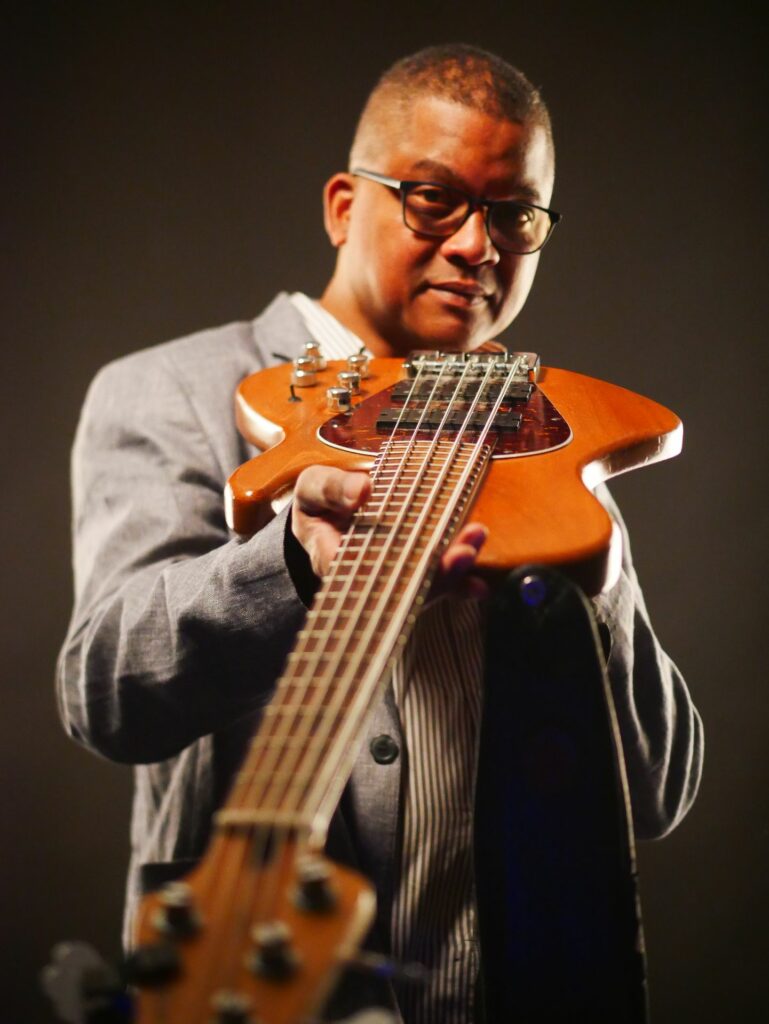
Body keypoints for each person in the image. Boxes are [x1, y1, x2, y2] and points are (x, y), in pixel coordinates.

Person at [57, 45, 703, 1024]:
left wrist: (591, 561)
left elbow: (656, 792)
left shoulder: (552, 433)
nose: (477, 246)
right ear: (341, 206)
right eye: (434, 199)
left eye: (514, 215)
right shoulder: (172, 389)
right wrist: (289, 563)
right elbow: (105, 690)